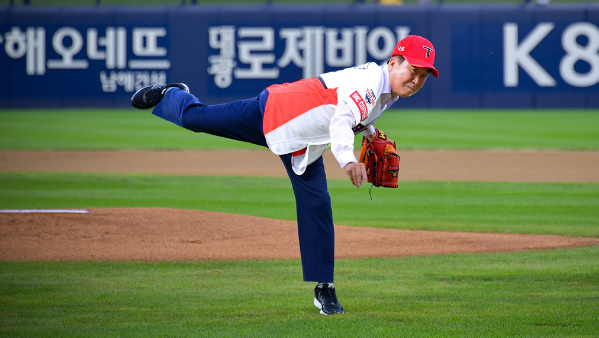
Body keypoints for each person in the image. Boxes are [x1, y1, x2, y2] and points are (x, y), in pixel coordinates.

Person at [130, 35, 439, 315]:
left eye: (423, 76)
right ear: (393, 62)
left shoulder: (387, 92)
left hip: (304, 143)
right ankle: (173, 95)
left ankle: (325, 289)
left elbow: (354, 111)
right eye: (413, 69)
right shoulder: (373, 83)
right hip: (276, 111)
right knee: (197, 118)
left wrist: (370, 133)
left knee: (317, 204)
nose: (416, 79)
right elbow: (343, 119)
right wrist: (347, 160)